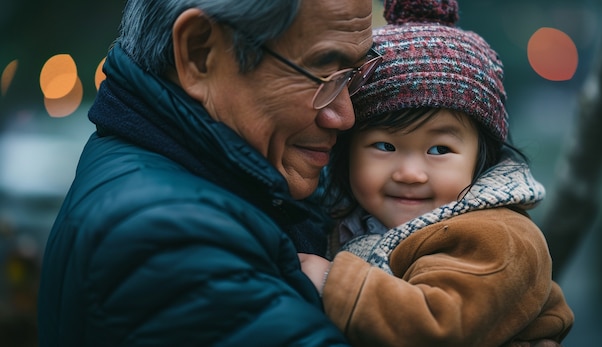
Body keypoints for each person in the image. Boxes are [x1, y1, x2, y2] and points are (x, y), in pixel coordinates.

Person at [37, 0, 380, 346]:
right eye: (323, 74)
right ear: (200, 53)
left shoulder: (191, 185)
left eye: (353, 75)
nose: (344, 115)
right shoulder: (170, 238)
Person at [298, 0, 575, 346]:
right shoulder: (345, 217)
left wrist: (332, 281)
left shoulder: (497, 236)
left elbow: (439, 327)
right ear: (347, 151)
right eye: (385, 146)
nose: (411, 173)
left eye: (439, 150)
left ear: (482, 158)